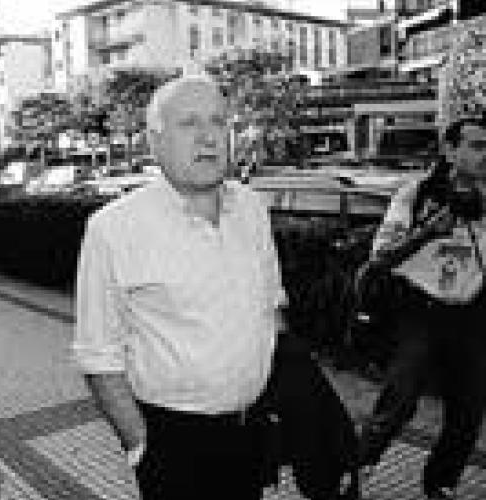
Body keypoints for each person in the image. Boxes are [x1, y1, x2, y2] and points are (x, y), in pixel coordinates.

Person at [73, 72, 355, 500]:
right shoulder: (113, 229)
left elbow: (272, 309)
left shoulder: (251, 209)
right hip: (173, 443)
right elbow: (98, 357)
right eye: (189, 123)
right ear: (155, 141)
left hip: (251, 430)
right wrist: (140, 447)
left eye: (219, 122)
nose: (208, 137)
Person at [357, 107, 486, 500]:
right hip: (420, 311)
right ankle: (357, 470)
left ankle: (440, 483)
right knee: (400, 400)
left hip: (471, 313)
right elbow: (380, 257)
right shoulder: (416, 194)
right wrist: (428, 232)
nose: (485, 155)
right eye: (477, 146)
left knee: (468, 410)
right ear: (450, 150)